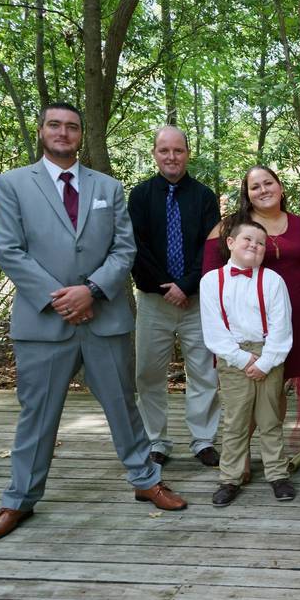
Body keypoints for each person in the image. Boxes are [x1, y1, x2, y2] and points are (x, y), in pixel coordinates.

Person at [0, 103, 187, 541]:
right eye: (55, 125)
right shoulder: (14, 184)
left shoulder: (107, 188)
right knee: (37, 415)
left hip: (105, 318)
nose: (63, 132)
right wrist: (62, 299)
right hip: (43, 323)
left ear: (81, 134)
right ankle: (18, 500)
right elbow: (10, 251)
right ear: (42, 131)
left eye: (72, 126)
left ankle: (146, 481)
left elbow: (124, 249)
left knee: (123, 406)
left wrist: (91, 290)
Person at [202, 166, 300, 483]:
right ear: (247, 194)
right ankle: (238, 459)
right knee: (242, 396)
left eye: (268, 182)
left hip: (295, 319)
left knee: (276, 390)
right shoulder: (230, 227)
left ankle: (270, 457)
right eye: (254, 186)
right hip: (246, 327)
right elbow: (213, 274)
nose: (263, 189)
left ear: (281, 187)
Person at [128, 125, 221, 468]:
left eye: (178, 150)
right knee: (148, 374)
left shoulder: (204, 196)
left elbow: (211, 249)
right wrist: (169, 285)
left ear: (187, 153)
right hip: (154, 300)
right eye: (164, 150)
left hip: (197, 301)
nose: (171, 156)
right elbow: (136, 247)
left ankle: (203, 439)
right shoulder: (139, 196)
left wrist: (186, 285)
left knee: (204, 372)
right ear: (154, 153)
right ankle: (157, 441)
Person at [200, 219, 295, 507]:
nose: (255, 245)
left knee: (270, 419)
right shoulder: (211, 282)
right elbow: (214, 330)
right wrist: (242, 359)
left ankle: (277, 474)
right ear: (230, 243)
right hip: (232, 357)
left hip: (269, 355)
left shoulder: (273, 281)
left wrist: (265, 362)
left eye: (261, 243)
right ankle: (229, 478)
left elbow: (282, 326)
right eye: (248, 240)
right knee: (235, 421)